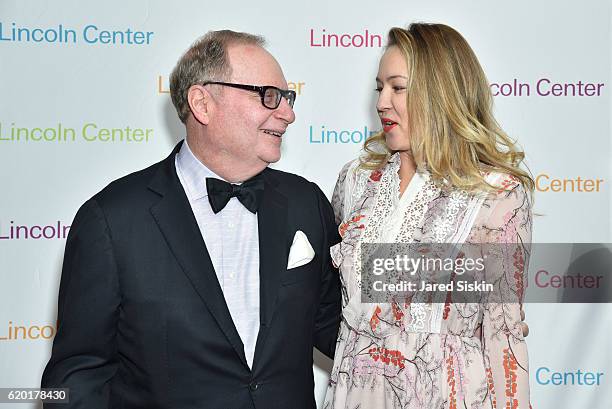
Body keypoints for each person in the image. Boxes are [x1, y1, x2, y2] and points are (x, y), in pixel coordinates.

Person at [41, 30, 341, 409]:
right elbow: (77, 378)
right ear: (202, 103)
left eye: (287, 98)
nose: (288, 113)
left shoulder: (306, 202)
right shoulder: (112, 220)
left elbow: (339, 327)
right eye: (269, 95)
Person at [323, 23, 534, 409]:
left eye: (397, 88)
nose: (382, 102)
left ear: (441, 93)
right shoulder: (355, 181)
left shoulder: (497, 195)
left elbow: (504, 335)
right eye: (379, 87)